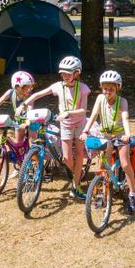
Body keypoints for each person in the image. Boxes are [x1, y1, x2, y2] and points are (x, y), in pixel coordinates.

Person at [16, 56, 91, 200]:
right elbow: (39, 94)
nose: (64, 76)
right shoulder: (58, 86)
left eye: (68, 73)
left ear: (76, 73)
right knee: (67, 158)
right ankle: (77, 173)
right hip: (66, 125)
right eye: (63, 73)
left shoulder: (83, 88)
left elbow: (83, 111)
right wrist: (23, 105)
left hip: (79, 124)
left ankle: (76, 186)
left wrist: (68, 113)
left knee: (80, 153)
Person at [82, 70, 135, 214]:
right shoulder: (100, 99)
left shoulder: (122, 102)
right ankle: (105, 191)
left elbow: (125, 118)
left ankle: (132, 194)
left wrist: (127, 134)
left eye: (111, 89)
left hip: (120, 136)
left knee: (125, 164)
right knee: (105, 165)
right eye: (105, 88)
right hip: (105, 136)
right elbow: (94, 115)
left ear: (117, 88)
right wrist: (85, 131)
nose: (108, 92)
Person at [0, 71, 36, 177]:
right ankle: (18, 166)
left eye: (31, 87)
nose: (30, 90)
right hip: (19, 122)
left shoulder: (30, 96)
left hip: (30, 121)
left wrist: (27, 122)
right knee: (18, 145)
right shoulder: (10, 93)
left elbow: (30, 109)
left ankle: (37, 165)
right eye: (27, 87)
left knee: (33, 143)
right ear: (17, 87)